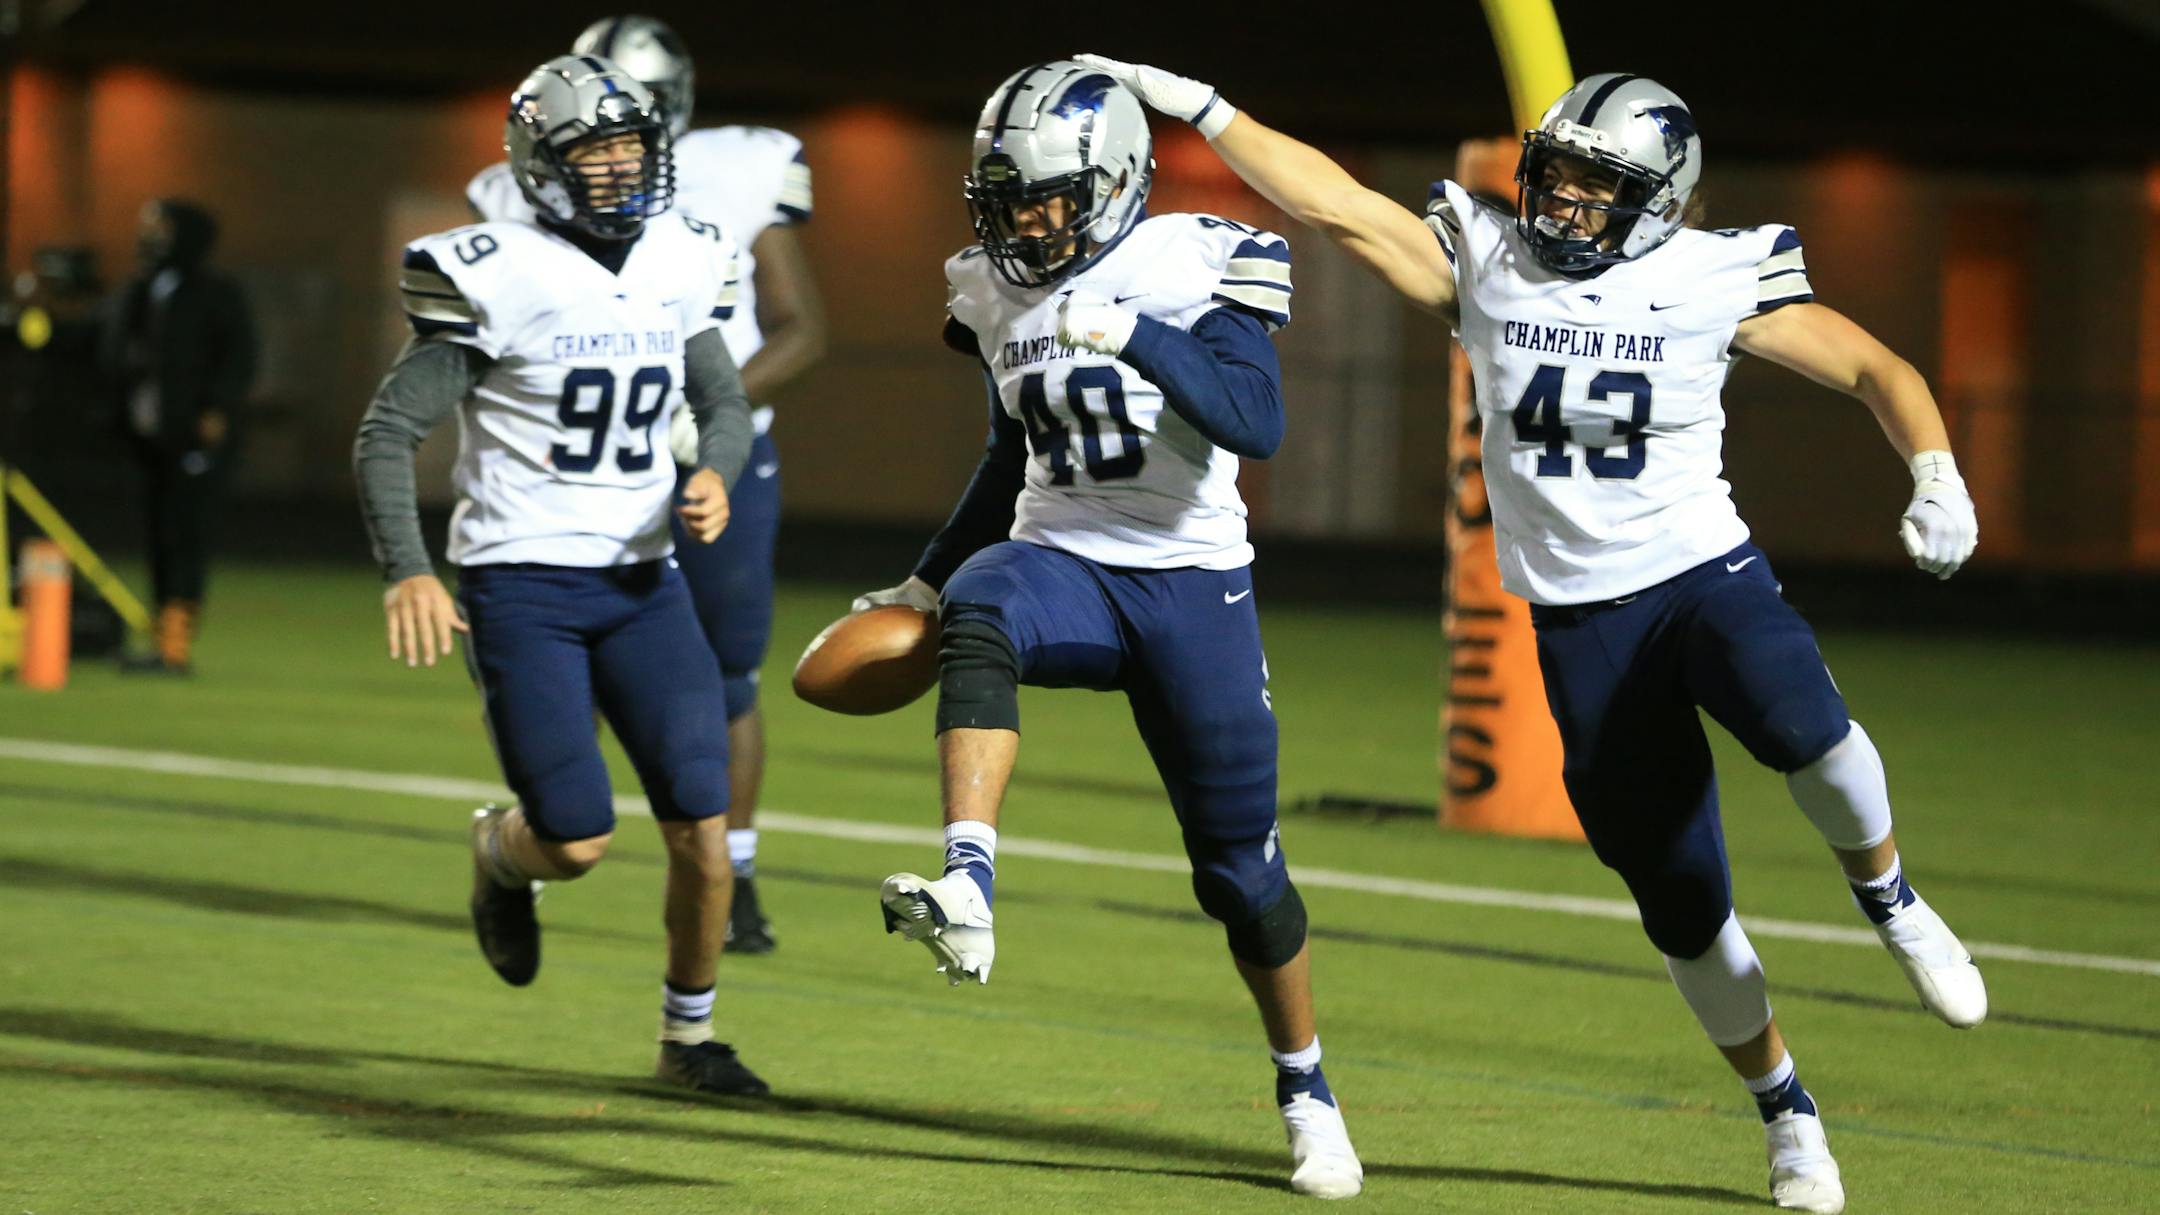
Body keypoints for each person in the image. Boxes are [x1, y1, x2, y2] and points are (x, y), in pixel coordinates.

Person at [1079, 55, 1988, 1214]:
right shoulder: (1489, 263)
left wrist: (1937, 472)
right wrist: (1210, 111)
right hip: (1580, 625)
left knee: (1805, 725)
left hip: (1701, 575)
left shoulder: (1713, 272)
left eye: (1593, 186)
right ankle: (1789, 1116)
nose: (1560, 204)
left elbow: (1876, 364)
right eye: (1553, 178)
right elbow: (1333, 203)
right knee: (1681, 903)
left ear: (1659, 197)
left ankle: (1893, 900)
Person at [850, 60, 1361, 1199]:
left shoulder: (1201, 256)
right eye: (1007, 204)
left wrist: (1135, 331)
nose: (1027, 226)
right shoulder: (986, 287)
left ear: (1119, 179)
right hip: (1062, 558)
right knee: (986, 597)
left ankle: (1306, 1087)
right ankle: (969, 887)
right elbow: (1006, 456)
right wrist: (926, 583)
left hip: (1190, 585)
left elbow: (1256, 422)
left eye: (1049, 199)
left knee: (1239, 876)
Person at [352, 54, 767, 1096]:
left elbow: (722, 401)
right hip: (521, 588)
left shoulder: (680, 255)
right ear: (543, 165)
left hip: (643, 584)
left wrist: (714, 472)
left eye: (634, 148)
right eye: (598, 152)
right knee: (577, 841)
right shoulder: (498, 267)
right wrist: (409, 570)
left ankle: (690, 1040)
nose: (624, 170)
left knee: (704, 834)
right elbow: (387, 431)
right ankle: (501, 855)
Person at [468, 15, 827, 954]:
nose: (625, 146)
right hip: (587, 477)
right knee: (564, 662)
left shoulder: (740, 173)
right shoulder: (517, 190)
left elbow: (799, 327)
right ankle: (546, 828)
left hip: (718, 457)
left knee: (731, 675)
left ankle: (733, 871)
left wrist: (703, 417)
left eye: (647, 114)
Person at [100, 199, 256, 673]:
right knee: (158, 535)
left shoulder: (216, 292)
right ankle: (160, 637)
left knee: (186, 535)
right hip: (151, 439)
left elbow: (239, 357)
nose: (150, 237)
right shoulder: (143, 289)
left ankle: (175, 645)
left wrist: (216, 410)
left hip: (195, 439)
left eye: (160, 227)